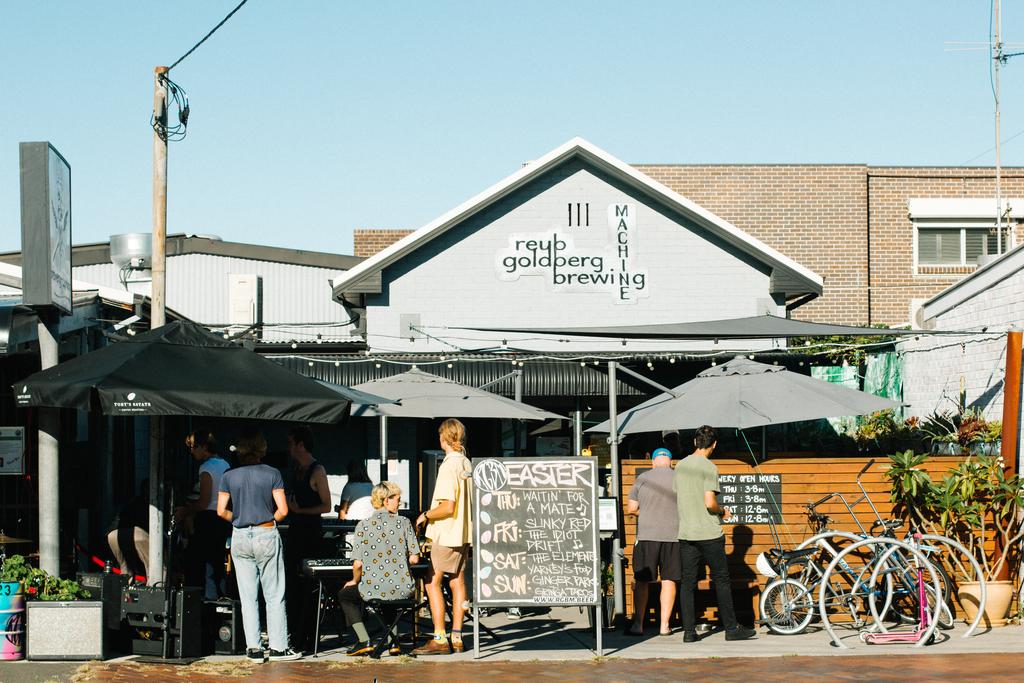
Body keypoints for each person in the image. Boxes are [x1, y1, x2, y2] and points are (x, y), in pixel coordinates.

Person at [217, 427, 302, 663]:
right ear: (261, 447)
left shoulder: (228, 476)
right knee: (274, 594)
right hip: (266, 532)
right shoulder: (272, 473)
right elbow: (283, 510)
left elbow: (221, 510)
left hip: (240, 536)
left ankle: (253, 648)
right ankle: (278, 647)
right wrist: (269, 518)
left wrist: (238, 519)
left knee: (248, 595)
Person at [674, 425, 756, 643]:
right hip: (709, 533)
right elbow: (710, 503)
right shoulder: (709, 467)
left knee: (688, 583)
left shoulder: (680, 466)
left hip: (686, 533)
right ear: (714, 444)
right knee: (721, 579)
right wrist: (724, 511)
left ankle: (689, 632)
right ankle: (731, 629)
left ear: (694, 442)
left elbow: (681, 496)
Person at [337, 481, 420, 656]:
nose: (400, 503)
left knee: (345, 596)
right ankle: (393, 644)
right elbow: (414, 558)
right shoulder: (405, 522)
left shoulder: (363, 526)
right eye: (397, 499)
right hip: (403, 588)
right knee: (391, 595)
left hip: (373, 587)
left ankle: (363, 640)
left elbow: (357, 564)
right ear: (385, 500)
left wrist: (353, 581)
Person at [413, 418, 473, 655]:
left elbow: (448, 507)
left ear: (444, 438)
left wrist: (425, 515)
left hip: (447, 532)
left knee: (432, 580)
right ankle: (457, 637)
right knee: (457, 581)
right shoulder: (466, 463)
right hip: (464, 532)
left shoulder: (448, 466)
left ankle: (439, 637)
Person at [283, 426, 332, 653]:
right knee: (293, 586)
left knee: (307, 588)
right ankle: (294, 634)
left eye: (292, 443)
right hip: (295, 533)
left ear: (301, 444)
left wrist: (300, 511)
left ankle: (307, 637)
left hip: (309, 534)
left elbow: (327, 505)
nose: (289, 448)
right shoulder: (296, 469)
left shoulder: (317, 470)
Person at [626, 447, 680, 636]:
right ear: (671, 462)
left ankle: (638, 625)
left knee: (642, 581)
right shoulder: (679, 478)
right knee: (669, 580)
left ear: (653, 462)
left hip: (647, 536)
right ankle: (664, 626)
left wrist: (648, 513)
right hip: (674, 537)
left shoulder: (642, 478)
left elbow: (631, 509)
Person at [176, 429, 231, 599]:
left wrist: (185, 511)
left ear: (204, 446)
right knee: (216, 563)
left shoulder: (206, 468)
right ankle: (219, 599)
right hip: (222, 519)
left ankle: (202, 601)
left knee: (199, 564)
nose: (191, 451)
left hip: (207, 519)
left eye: (194, 447)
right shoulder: (225, 464)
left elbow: (204, 501)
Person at [107, 480, 149, 580]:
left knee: (125, 568)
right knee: (154, 567)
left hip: (117, 535)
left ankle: (125, 584)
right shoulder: (144, 506)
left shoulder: (131, 504)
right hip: (136, 535)